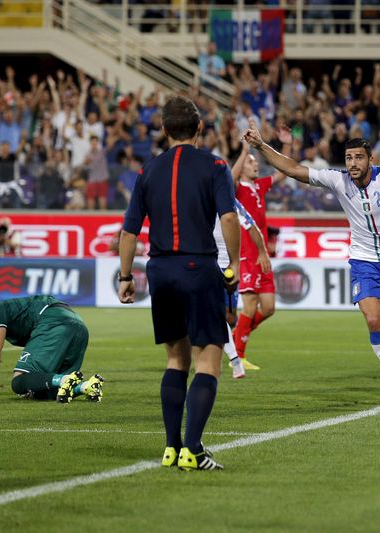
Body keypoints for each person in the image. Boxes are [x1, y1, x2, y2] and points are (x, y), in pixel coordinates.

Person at [244, 119, 380, 408]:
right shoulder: (337, 180)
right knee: (373, 320)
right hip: (364, 261)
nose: (353, 163)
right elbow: (293, 169)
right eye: (349, 158)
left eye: (358, 158)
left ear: (371, 159)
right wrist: (261, 145)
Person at [118, 95, 240, 471]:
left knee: (176, 358)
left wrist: (126, 276)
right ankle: (193, 450)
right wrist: (233, 263)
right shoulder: (215, 165)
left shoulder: (147, 171)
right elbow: (229, 219)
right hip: (198, 267)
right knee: (208, 361)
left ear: (164, 130)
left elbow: (129, 231)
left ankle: (171, 447)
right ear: (200, 128)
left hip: (160, 271)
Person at [0, 296, 104, 403]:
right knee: (43, 390)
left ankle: (65, 378)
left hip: (54, 322)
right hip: (78, 325)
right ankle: (87, 387)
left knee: (19, 382)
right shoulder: (12, 318)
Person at [229, 133, 291, 370]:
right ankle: (239, 355)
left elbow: (283, 173)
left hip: (262, 255)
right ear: (242, 166)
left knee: (268, 308)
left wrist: (286, 144)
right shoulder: (237, 189)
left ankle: (237, 334)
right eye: (251, 161)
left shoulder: (258, 186)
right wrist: (245, 151)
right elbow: (230, 178)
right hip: (246, 254)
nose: (256, 163)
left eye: (255, 160)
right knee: (250, 305)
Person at [214, 199, 272, 379]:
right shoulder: (195, 196)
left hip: (228, 268)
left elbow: (251, 225)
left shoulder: (229, 201)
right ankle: (234, 359)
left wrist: (262, 252)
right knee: (211, 315)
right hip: (205, 264)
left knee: (229, 317)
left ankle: (229, 356)